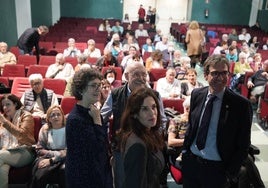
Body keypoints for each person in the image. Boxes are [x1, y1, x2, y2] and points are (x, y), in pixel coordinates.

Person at [182, 54, 253, 188]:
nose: (220, 78)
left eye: (224, 73)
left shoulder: (241, 105)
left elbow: (244, 144)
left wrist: (230, 172)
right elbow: (192, 127)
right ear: (206, 75)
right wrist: (185, 153)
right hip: (192, 164)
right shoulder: (196, 94)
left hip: (218, 170)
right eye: (215, 73)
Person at [101, 63, 167, 188]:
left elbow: (162, 121)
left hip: (148, 146)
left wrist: (154, 139)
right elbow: (102, 118)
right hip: (121, 148)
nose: (141, 78)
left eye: (144, 74)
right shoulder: (115, 94)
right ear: (126, 76)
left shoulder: (155, 95)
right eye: (136, 74)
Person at [65, 68, 112, 188]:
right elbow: (96, 148)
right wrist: (97, 121)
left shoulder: (94, 112)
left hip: (97, 172)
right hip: (83, 178)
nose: (98, 89)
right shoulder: (75, 119)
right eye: (93, 86)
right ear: (81, 90)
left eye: (99, 85)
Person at [119, 87, 165, 188]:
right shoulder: (137, 145)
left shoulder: (149, 133)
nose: (152, 113)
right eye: (145, 109)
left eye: (153, 107)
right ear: (135, 114)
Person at [0, 94, 36, 188]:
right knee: (2, 169)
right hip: (6, 151)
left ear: (15, 104)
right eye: (3, 105)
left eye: (8, 104)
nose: (5, 107)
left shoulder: (26, 116)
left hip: (25, 151)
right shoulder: (3, 118)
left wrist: (5, 123)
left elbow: (23, 136)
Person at [29, 105, 66, 188]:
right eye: (52, 115)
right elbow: (39, 148)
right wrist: (51, 154)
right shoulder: (45, 129)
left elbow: (70, 150)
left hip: (64, 156)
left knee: (64, 171)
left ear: (63, 117)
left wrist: (53, 159)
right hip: (46, 154)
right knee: (40, 173)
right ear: (48, 118)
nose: (56, 117)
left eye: (58, 114)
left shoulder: (69, 128)